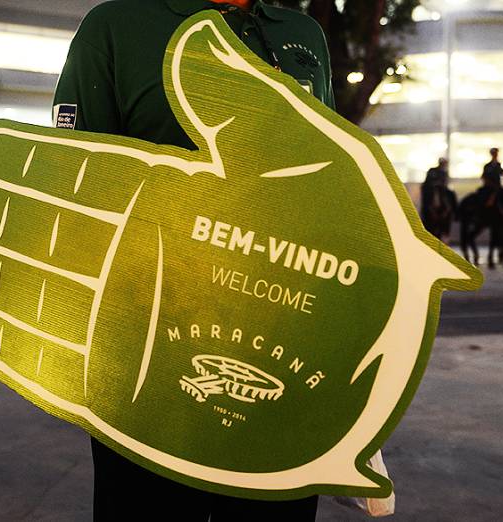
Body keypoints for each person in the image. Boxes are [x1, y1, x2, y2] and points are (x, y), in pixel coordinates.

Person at [52, 0, 333, 518]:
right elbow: (78, 193)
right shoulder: (114, 27)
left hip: (279, 355)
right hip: (146, 366)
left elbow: (327, 206)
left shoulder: (302, 33)